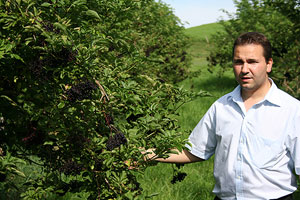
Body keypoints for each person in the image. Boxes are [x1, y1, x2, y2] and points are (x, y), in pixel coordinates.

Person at [143, 32, 300, 200]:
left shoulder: (291, 110)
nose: (244, 69)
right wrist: (146, 154)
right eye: (238, 62)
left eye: (252, 62)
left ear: (268, 64)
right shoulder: (221, 107)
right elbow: (194, 150)